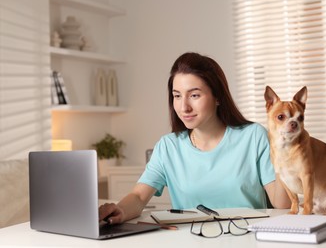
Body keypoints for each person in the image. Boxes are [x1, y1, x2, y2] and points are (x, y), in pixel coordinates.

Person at [99, 52, 290, 225]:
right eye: (177, 96)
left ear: (218, 97)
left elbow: (282, 204)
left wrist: (284, 147)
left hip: (246, 239)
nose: (184, 107)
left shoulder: (253, 136)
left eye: (195, 95)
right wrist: (120, 210)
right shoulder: (168, 147)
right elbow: (139, 197)